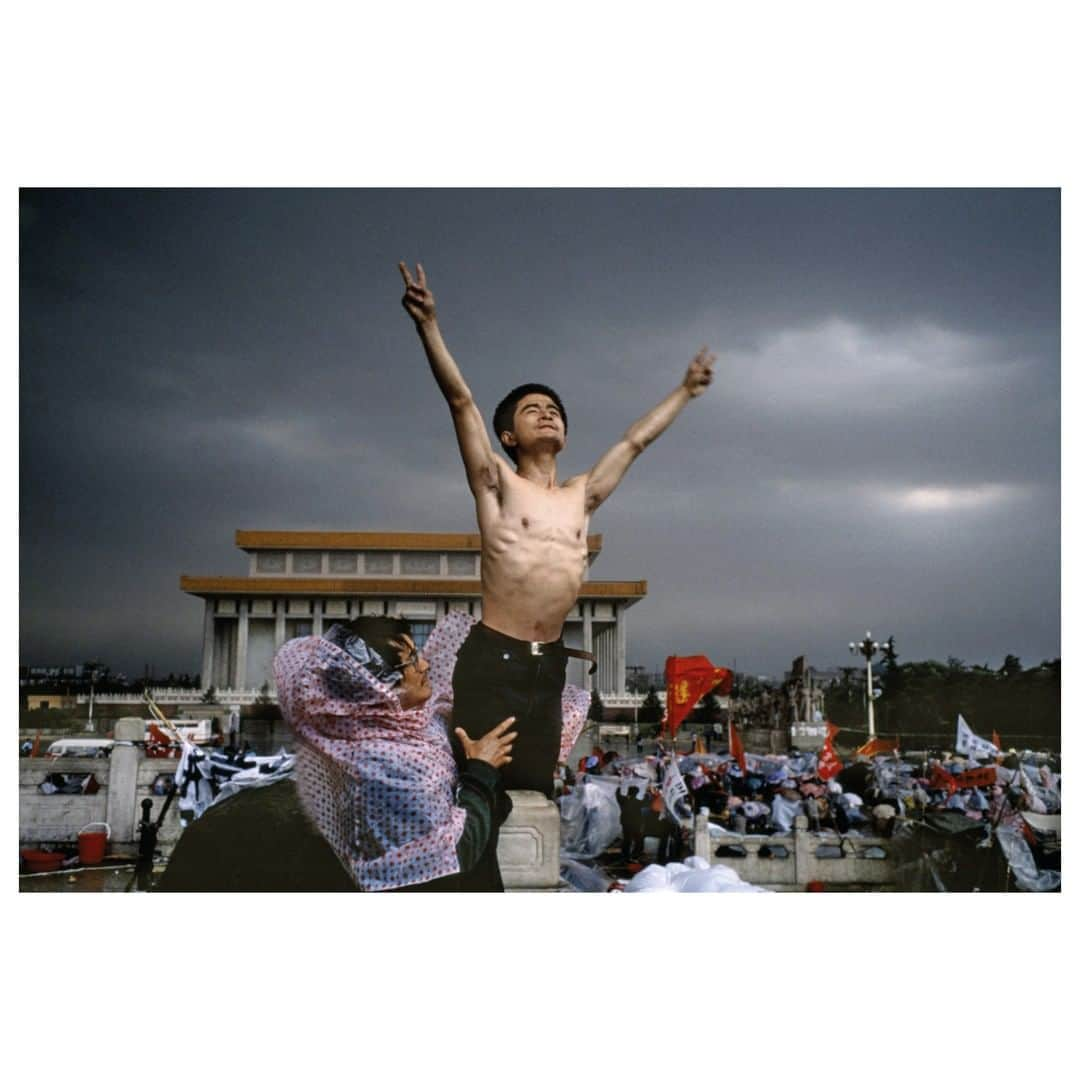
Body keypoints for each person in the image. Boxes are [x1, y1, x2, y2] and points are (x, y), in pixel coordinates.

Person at [399, 260, 715, 884]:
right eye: (532, 410)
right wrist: (430, 326)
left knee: (534, 802)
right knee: (474, 791)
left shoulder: (580, 495)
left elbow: (632, 443)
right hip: (494, 657)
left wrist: (685, 390)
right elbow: (460, 400)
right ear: (508, 437)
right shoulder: (496, 485)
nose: (547, 414)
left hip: (547, 665)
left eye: (554, 409)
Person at [157, 614, 518, 892]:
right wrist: (481, 772)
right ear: (377, 686)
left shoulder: (371, 727)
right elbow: (454, 854)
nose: (424, 666)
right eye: (410, 662)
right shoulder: (388, 767)